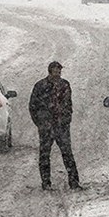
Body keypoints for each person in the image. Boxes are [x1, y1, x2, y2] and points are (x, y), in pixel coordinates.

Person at [29, 61, 82, 191]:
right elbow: (33, 106)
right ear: (50, 71)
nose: (58, 74)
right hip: (46, 126)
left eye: (59, 71)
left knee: (67, 153)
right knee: (45, 154)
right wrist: (40, 122)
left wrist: (66, 119)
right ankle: (46, 182)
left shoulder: (65, 85)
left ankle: (74, 182)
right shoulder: (40, 86)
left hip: (61, 126)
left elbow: (68, 104)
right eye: (56, 71)